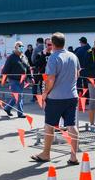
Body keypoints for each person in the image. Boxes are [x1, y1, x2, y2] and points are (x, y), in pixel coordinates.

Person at [31, 32, 80, 164]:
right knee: (71, 125)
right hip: (72, 95)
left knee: (49, 126)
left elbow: (50, 78)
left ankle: (46, 154)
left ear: (53, 44)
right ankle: (74, 156)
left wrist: (45, 92)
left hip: (56, 97)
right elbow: (77, 75)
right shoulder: (73, 56)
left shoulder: (53, 57)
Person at [1, 41, 30, 118]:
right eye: (19, 46)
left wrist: (31, 77)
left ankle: (7, 108)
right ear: (15, 48)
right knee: (19, 95)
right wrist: (4, 79)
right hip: (13, 80)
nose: (21, 48)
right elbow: (5, 70)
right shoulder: (11, 57)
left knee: (16, 96)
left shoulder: (24, 57)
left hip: (22, 81)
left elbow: (28, 67)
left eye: (22, 46)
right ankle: (20, 113)